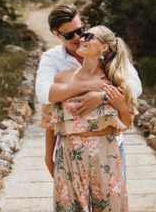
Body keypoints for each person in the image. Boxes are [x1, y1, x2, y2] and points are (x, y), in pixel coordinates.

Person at [35, 4, 143, 178]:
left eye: (81, 30)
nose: (78, 37)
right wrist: (86, 85)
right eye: (70, 35)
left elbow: (135, 87)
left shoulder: (106, 51)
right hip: (71, 151)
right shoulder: (52, 59)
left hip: (110, 145)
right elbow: (44, 95)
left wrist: (101, 97)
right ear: (57, 34)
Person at [40, 25, 137, 211]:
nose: (81, 38)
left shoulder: (114, 80)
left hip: (106, 155)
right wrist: (48, 157)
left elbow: (125, 123)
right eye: (83, 35)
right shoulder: (61, 78)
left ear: (104, 47)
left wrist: (120, 105)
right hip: (68, 156)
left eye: (89, 36)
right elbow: (50, 122)